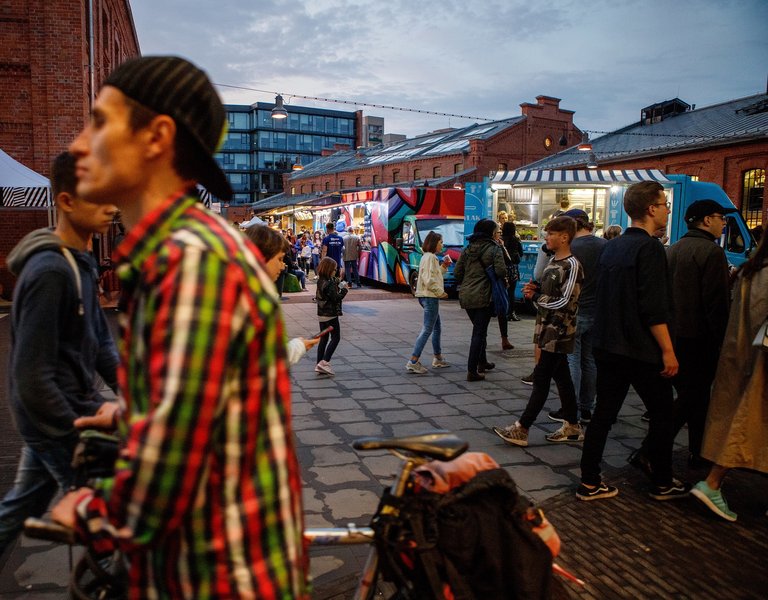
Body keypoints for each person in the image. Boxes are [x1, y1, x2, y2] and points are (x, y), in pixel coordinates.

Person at [52, 56, 308, 598]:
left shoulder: (190, 261)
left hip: (221, 574)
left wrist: (95, 511)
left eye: (98, 122)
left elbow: (168, 469)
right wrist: (133, 411)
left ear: (156, 138)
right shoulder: (178, 253)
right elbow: (203, 405)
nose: (79, 145)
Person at [0, 152, 119, 556]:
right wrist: (78, 428)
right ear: (66, 201)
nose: (113, 206)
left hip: (68, 403)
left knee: (22, 505)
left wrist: (134, 390)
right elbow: (30, 376)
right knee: (112, 514)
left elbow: (101, 340)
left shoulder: (81, 261)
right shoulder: (50, 271)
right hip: (55, 412)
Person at [578, 181, 688, 502]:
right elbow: (653, 307)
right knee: (663, 415)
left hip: (608, 345)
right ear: (651, 209)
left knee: (603, 415)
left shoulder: (612, 246)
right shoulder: (650, 248)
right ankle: (662, 480)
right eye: (664, 204)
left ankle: (589, 481)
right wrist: (668, 350)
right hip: (639, 350)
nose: (667, 209)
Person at [691, 230, 768, 521]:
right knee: (745, 425)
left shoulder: (750, 271)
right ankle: (711, 482)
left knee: (741, 421)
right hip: (761, 365)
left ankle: (712, 482)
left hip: (741, 357)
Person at [649, 200, 733, 469]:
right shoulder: (711, 252)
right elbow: (716, 304)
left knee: (695, 399)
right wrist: (723, 342)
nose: (723, 223)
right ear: (706, 220)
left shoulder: (673, 249)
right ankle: (649, 450)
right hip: (700, 340)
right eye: (721, 218)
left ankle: (699, 451)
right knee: (691, 399)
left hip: (675, 337)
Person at [492, 216, 584, 447]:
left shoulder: (572, 265)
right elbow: (549, 295)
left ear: (564, 237)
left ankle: (522, 427)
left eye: (551, 234)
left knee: (541, 378)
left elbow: (565, 302)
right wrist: (536, 290)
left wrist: (537, 296)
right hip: (546, 328)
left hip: (559, 330)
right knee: (562, 379)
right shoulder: (553, 261)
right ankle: (572, 426)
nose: (546, 237)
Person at [553, 208, 606, 425]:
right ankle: (587, 408)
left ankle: (570, 408)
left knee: (571, 359)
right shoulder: (605, 245)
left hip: (575, 310)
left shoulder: (571, 247)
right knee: (590, 360)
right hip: (597, 310)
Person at [245, 224, 321, 364]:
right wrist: (297, 348)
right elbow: (260, 361)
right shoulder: (251, 301)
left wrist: (298, 347)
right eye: (279, 259)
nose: (282, 265)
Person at [453, 218, 506, 381]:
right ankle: (472, 370)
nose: (498, 234)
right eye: (496, 231)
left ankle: (482, 362)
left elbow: (457, 273)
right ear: (491, 233)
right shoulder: (494, 249)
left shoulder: (467, 249)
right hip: (484, 296)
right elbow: (501, 271)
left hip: (467, 295)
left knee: (479, 329)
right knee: (478, 333)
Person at [406, 231, 451, 374]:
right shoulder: (431, 257)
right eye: (441, 242)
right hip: (430, 297)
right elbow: (428, 279)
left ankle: (438, 357)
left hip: (426, 296)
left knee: (436, 327)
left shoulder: (428, 257)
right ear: (434, 243)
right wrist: (440, 292)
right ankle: (413, 360)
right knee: (427, 329)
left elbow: (435, 274)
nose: (442, 245)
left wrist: (444, 266)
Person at [315, 256, 348, 375]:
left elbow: (332, 289)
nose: (335, 271)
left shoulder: (320, 280)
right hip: (331, 315)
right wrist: (344, 290)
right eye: (334, 270)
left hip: (322, 315)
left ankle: (319, 363)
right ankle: (325, 362)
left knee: (324, 338)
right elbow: (335, 298)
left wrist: (339, 282)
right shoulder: (329, 283)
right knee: (336, 337)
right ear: (329, 269)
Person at [492, 226, 516, 351]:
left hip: (480, 287)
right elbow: (507, 262)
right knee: (502, 310)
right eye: (498, 233)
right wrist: (502, 247)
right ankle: (504, 339)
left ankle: (480, 358)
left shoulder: (470, 247)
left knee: (481, 324)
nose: (500, 235)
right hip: (495, 284)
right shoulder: (495, 247)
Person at [501, 221, 523, 322]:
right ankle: (511, 312)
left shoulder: (500, 240)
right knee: (511, 292)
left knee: (501, 290)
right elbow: (521, 253)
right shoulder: (516, 240)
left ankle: (502, 312)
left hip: (502, 267)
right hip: (512, 268)